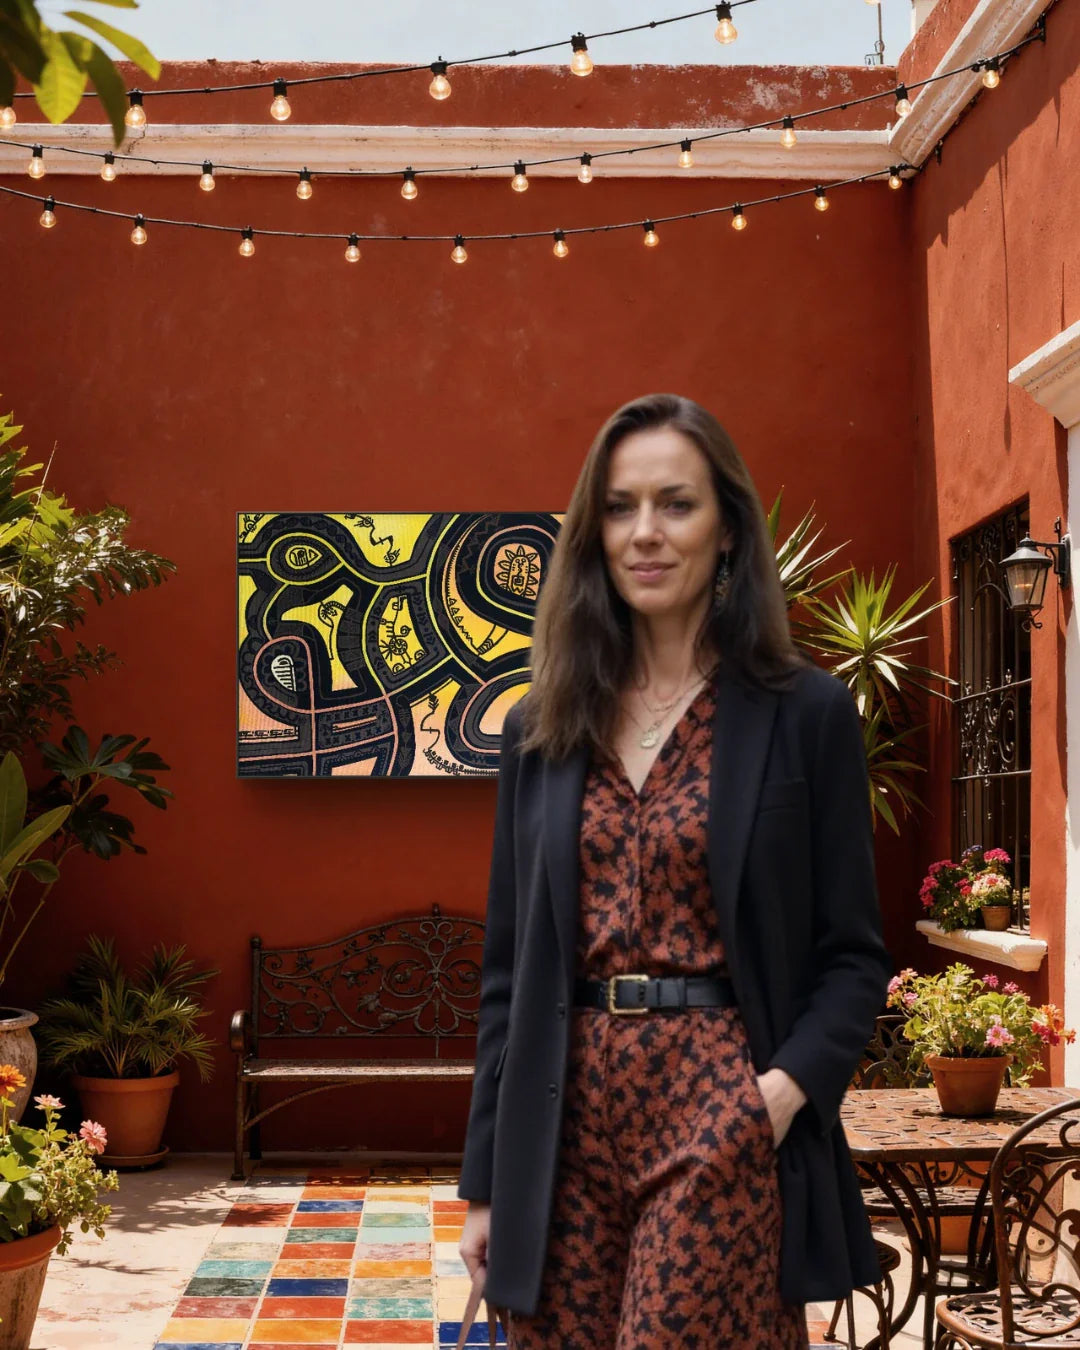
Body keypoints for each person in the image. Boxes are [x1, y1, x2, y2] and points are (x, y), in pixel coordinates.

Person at [456, 392, 892, 1348]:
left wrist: (774, 1099)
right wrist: (485, 1184)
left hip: (716, 1109)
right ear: (592, 533)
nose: (644, 534)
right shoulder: (540, 730)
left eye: (676, 504)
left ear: (728, 529)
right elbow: (507, 977)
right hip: (560, 1120)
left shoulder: (805, 713)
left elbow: (854, 956)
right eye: (619, 507)